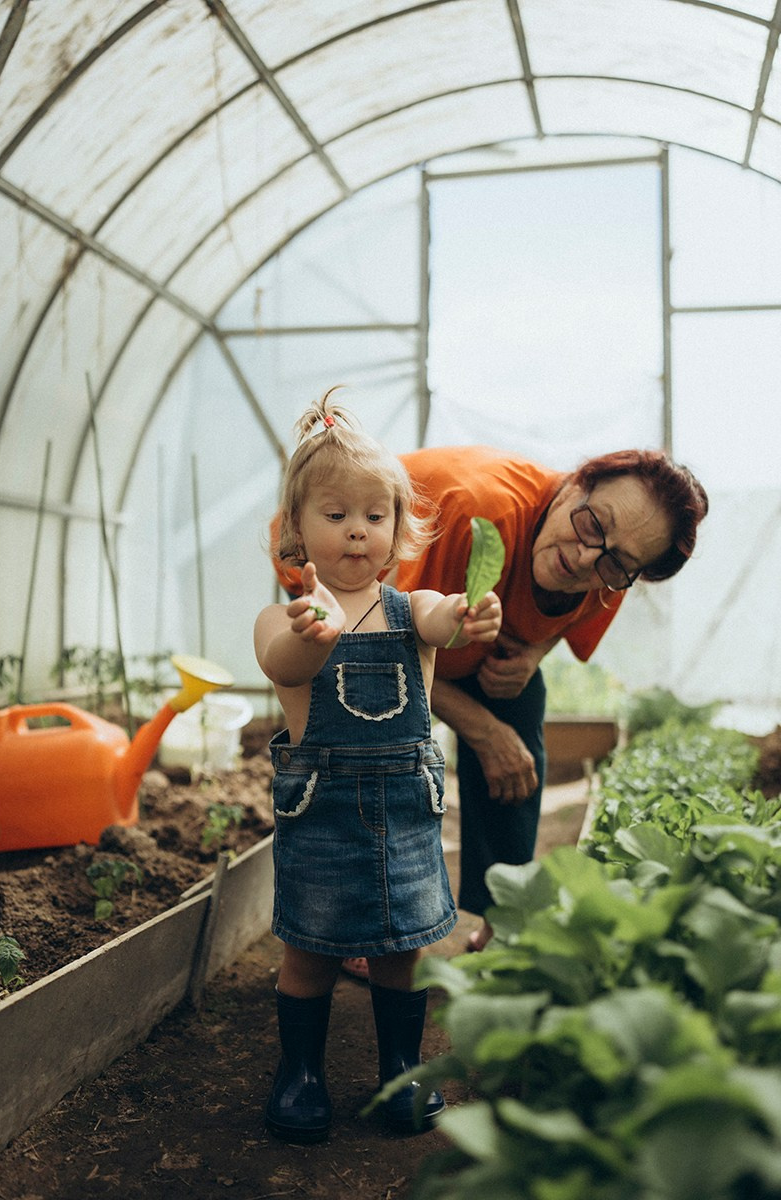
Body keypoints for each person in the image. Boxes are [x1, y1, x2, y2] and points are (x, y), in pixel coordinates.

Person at [276, 440, 708, 961]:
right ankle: (353, 922)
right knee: (367, 752)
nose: (585, 557)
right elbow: (383, 644)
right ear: (574, 483)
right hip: (348, 592)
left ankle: (503, 912)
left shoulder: (608, 572)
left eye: (617, 563)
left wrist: (531, 656)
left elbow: (565, 618)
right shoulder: (481, 513)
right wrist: (484, 730)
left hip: (455, 633)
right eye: (593, 524)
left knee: (520, 729)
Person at [254, 391, 502, 1143]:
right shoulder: (284, 619)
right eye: (335, 514)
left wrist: (469, 613)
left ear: (397, 528)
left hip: (404, 814)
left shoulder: (411, 607)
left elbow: (443, 620)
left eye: (374, 514)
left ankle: (402, 1069)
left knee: (402, 950)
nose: (357, 530)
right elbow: (282, 662)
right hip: (322, 815)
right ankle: (300, 1073)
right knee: (309, 953)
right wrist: (314, 636)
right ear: (297, 528)